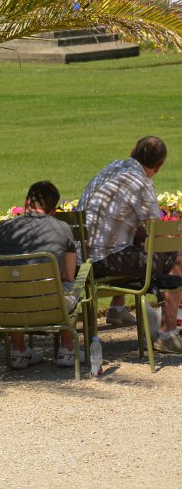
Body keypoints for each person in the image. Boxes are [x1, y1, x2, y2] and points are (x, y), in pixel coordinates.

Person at [77, 136, 182, 353]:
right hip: (104, 260)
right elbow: (155, 235)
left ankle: (117, 308)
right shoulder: (141, 182)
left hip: (81, 257)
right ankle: (167, 333)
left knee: (129, 235)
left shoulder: (112, 168)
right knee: (175, 256)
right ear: (159, 166)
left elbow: (137, 232)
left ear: (131, 151)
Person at [0, 181, 79, 369]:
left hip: (9, 307)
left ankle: (18, 351)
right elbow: (68, 274)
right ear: (53, 211)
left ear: (27, 202)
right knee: (71, 284)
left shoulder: (3, 228)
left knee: (15, 286)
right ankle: (67, 350)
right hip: (51, 307)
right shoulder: (62, 228)